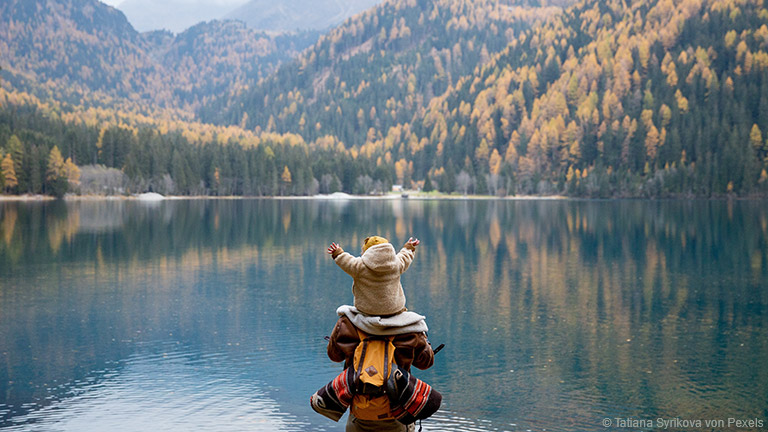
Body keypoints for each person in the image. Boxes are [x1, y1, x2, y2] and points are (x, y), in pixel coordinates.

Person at [327, 235, 420, 316]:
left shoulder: (359, 267)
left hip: (367, 311)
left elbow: (345, 260)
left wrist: (337, 252)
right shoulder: (396, 265)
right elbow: (405, 256)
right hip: (394, 309)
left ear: (367, 251)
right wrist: (409, 247)